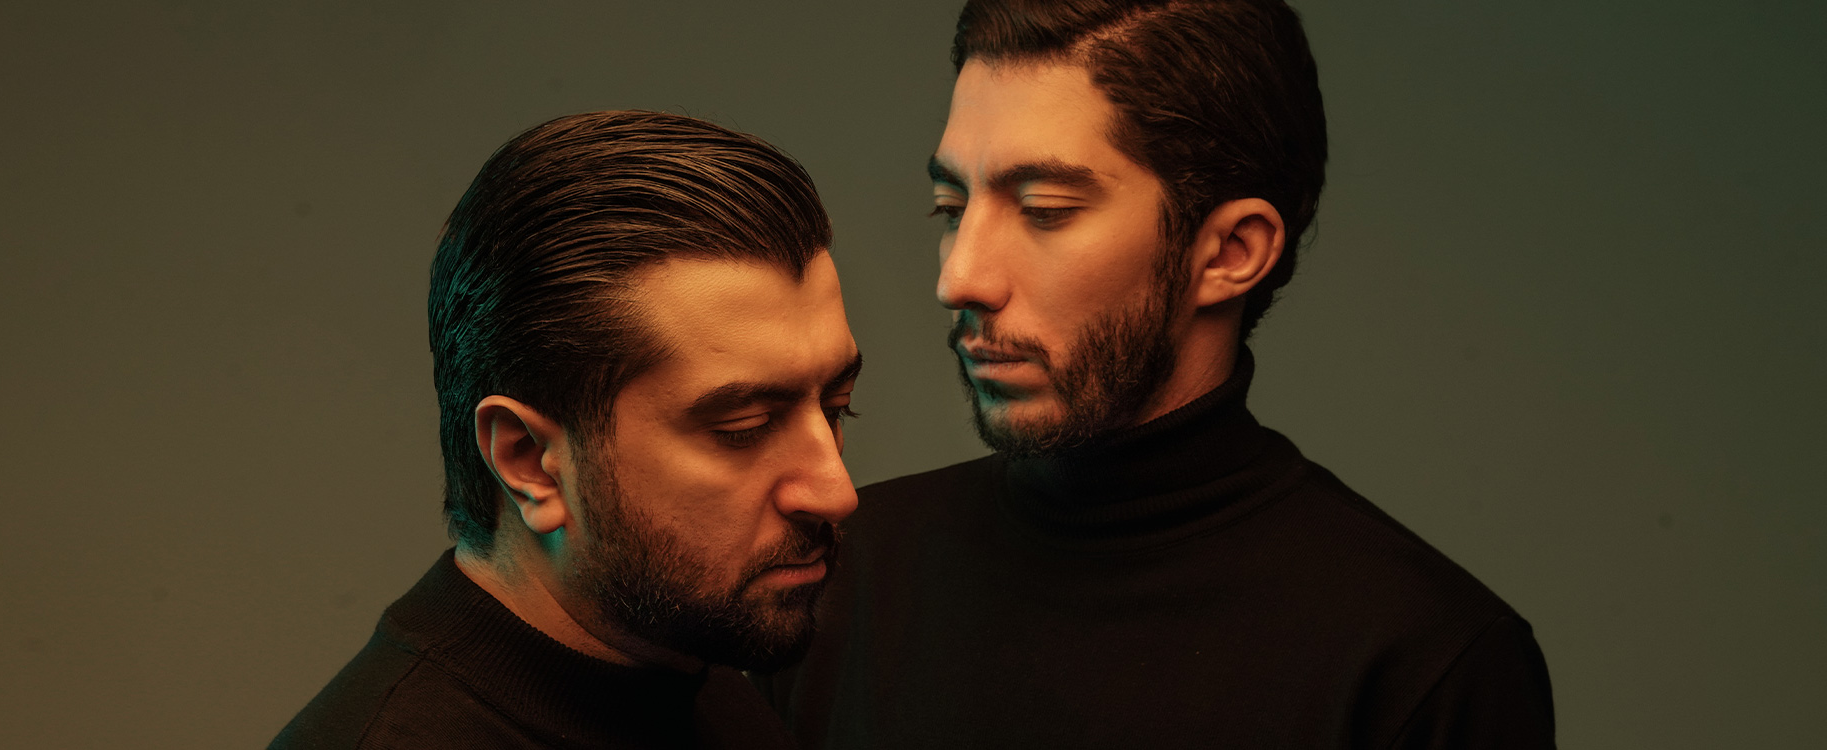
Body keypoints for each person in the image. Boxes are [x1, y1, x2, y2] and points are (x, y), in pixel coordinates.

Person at [760, 1, 1556, 747]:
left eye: (1044, 210)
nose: (959, 277)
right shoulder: (827, 578)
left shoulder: (1424, 659)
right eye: (951, 207)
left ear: (1231, 252)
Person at [272, 110, 862, 750]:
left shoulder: (684, 664)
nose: (836, 492)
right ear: (529, 460)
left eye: (837, 406)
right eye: (744, 427)